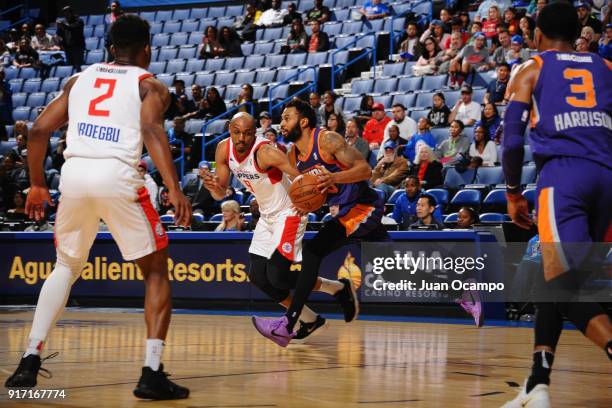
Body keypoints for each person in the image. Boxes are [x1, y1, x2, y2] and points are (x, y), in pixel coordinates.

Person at [3, 15, 192, 399]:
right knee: (155, 270)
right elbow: (154, 130)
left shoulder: (78, 79)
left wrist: (38, 184)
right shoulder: (150, 85)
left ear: (109, 48)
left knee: (65, 266)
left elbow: (39, 130)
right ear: (147, 50)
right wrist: (174, 188)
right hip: (117, 174)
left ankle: (29, 358)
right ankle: (151, 372)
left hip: (73, 175)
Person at [501, 3, 612, 406]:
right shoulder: (605, 67)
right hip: (605, 178)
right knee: (560, 282)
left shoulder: (531, 66)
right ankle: (537, 385)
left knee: (560, 285)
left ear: (537, 34)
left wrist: (513, 192)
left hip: (563, 176)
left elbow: (512, 139)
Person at [204, 112, 357, 344]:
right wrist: (213, 188)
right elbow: (220, 191)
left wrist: (314, 198)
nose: (242, 138)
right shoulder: (223, 149)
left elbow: (304, 178)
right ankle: (313, 317)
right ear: (229, 130)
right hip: (267, 216)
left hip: (289, 212)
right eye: (237, 132)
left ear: (255, 132)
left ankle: (336, 290)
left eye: (247, 133)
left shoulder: (266, 152)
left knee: (277, 276)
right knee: (258, 276)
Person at [251, 99, 390, 347]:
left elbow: (365, 170)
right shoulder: (293, 155)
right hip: (342, 212)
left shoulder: (327, 140)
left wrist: (334, 176)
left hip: (363, 207)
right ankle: (462, 291)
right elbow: (304, 192)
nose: (281, 123)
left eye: (287, 118)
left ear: (303, 121)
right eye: (281, 119)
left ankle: (289, 322)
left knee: (313, 253)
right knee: (395, 263)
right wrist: (299, 204)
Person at [56, 6, 85, 70]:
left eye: (67, 12)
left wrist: (63, 25)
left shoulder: (79, 21)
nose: (66, 14)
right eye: (64, 12)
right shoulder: (63, 22)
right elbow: (59, 33)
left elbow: (72, 28)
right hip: (67, 47)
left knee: (78, 65)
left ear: (72, 12)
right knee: (70, 66)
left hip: (77, 47)